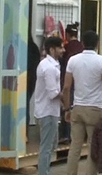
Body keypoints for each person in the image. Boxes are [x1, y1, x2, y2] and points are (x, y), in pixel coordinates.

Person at [63, 30, 102, 175]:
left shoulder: (73, 60)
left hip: (77, 107)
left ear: (83, 43)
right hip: (95, 109)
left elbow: (66, 87)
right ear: (97, 44)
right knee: (93, 147)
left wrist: (67, 109)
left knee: (75, 147)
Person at [34, 36, 64, 175]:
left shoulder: (47, 64)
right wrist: (67, 97)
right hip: (48, 112)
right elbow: (53, 93)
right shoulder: (49, 68)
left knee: (51, 145)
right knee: (46, 147)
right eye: (60, 47)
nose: (63, 50)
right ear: (52, 49)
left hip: (48, 111)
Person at [60, 23, 82, 143]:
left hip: (69, 82)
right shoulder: (81, 47)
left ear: (67, 35)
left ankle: (66, 135)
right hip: (81, 82)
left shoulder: (66, 48)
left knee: (67, 108)